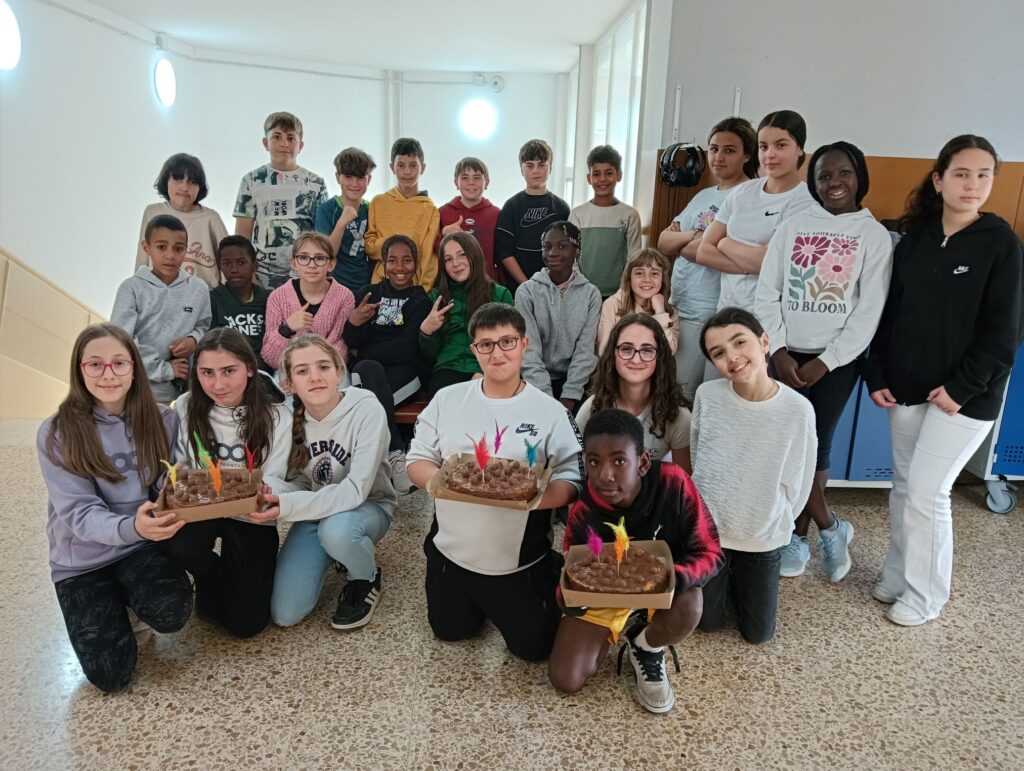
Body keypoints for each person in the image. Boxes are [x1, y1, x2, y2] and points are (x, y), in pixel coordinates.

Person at [862, 135, 1024, 626]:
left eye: (983, 175)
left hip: (966, 397)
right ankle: (898, 574)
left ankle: (926, 595)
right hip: (907, 387)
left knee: (928, 492)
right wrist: (877, 372)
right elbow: (890, 314)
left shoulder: (1000, 244)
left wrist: (962, 388)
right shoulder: (916, 239)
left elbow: (1005, 333)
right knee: (904, 486)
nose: (973, 184)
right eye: (962, 174)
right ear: (939, 180)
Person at [407, 303, 584, 662]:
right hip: (452, 553)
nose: (497, 353)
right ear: (474, 350)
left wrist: (532, 498)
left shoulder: (551, 412)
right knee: (450, 631)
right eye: (485, 344)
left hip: (517, 561)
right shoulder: (447, 399)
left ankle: (546, 572)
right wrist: (445, 484)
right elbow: (417, 458)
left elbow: (573, 478)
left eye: (507, 341)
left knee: (534, 649)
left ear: (524, 344)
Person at [755, 140, 894, 581]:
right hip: (783, 356)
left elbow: (869, 311)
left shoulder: (872, 235)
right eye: (824, 176)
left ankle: (800, 534)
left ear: (859, 177)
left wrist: (827, 361)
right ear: (813, 183)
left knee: (817, 446)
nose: (834, 182)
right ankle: (828, 527)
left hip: (837, 362)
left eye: (843, 173)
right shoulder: (793, 226)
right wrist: (777, 351)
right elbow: (767, 291)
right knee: (786, 444)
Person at [37, 323, 192, 692]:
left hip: (138, 547)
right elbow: (78, 513)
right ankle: (110, 603)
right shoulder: (56, 432)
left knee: (172, 611)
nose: (108, 374)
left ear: (134, 368)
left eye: (119, 363)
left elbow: (164, 481)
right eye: (95, 364)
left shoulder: (163, 418)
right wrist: (132, 527)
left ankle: (131, 602)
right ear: (79, 369)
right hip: (81, 561)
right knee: (111, 676)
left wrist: (174, 488)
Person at [549, 409, 722, 714]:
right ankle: (618, 623)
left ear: (642, 462)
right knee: (566, 679)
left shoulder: (674, 483)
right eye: (594, 462)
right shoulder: (583, 511)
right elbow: (570, 574)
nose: (605, 475)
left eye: (619, 461)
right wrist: (569, 598)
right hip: (606, 594)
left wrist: (670, 579)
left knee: (691, 605)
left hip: (663, 591)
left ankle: (645, 644)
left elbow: (711, 552)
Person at [250, 335, 397, 630]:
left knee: (337, 531)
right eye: (302, 371)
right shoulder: (286, 419)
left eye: (323, 367)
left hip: (367, 507)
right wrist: (269, 490)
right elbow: (296, 485)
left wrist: (287, 505)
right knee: (285, 614)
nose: (315, 377)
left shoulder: (366, 409)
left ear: (338, 372)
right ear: (290, 383)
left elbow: (356, 490)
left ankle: (365, 578)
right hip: (314, 511)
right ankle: (335, 551)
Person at [692, 308, 816, 644]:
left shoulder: (798, 410)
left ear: (764, 342)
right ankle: (726, 574)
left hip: (762, 535)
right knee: (709, 623)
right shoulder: (707, 396)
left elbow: (801, 482)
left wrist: (775, 524)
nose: (732, 357)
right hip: (712, 534)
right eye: (718, 353)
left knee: (758, 634)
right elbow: (698, 454)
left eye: (739, 342)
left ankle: (741, 576)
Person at [163, 328, 294, 638]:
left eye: (229, 371)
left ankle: (233, 581)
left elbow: (275, 476)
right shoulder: (185, 405)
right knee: (178, 545)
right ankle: (210, 577)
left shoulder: (277, 415)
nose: (218, 384)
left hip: (250, 514)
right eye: (207, 373)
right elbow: (182, 470)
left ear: (249, 368)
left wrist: (264, 491)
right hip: (202, 509)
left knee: (245, 624)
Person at [658, 117, 757, 401]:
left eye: (729, 150)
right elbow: (664, 241)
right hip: (681, 306)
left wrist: (687, 242)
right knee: (677, 393)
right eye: (714, 149)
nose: (718, 157)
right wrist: (696, 237)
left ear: (747, 155)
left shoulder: (749, 195)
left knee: (700, 397)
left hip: (712, 313)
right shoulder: (703, 195)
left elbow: (722, 253)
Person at [696, 110, 816, 319]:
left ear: (799, 149)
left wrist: (725, 243)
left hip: (768, 318)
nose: (770, 154)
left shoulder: (806, 201)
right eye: (763, 146)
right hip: (726, 312)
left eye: (781, 145)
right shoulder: (743, 192)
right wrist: (751, 264)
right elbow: (703, 252)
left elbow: (773, 264)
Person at [343, 234, 432, 494]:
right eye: (392, 260)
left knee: (365, 402)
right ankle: (395, 454)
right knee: (368, 370)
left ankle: (371, 466)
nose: (399, 267)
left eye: (407, 260)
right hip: (368, 374)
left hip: (406, 376)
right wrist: (354, 323)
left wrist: (364, 350)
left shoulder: (420, 301)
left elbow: (407, 348)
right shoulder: (368, 294)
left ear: (415, 264)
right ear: (383, 263)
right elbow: (351, 340)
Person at [112, 214, 212, 403]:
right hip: (134, 392)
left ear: (186, 250)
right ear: (146, 247)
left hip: (182, 396)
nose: (170, 255)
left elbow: (204, 326)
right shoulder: (131, 288)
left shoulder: (199, 289)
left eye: (178, 248)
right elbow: (121, 341)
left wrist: (193, 340)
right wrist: (165, 370)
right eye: (161, 247)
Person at [577, 314, 691, 469]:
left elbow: (683, 479)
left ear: (660, 356)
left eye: (647, 350)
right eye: (626, 349)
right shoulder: (594, 407)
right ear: (612, 354)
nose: (636, 360)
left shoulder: (677, 415)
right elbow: (575, 469)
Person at [233, 111, 328, 288]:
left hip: (304, 276)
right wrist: (249, 275)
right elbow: (241, 238)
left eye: (291, 138)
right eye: (277, 137)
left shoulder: (316, 183)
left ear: (301, 145)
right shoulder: (251, 181)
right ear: (266, 143)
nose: (284, 143)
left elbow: (321, 236)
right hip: (262, 276)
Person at [516, 221, 601, 413]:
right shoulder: (526, 292)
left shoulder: (591, 294)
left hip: (574, 381)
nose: (552, 253)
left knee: (581, 424)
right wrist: (546, 398)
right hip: (533, 379)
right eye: (547, 247)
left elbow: (585, 350)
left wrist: (569, 396)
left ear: (576, 251)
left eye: (562, 246)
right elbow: (529, 350)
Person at [419, 231, 514, 399]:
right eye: (448, 259)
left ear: (474, 254)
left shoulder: (500, 295)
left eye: (462, 255)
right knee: (443, 400)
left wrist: (482, 371)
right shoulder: (436, 297)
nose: (455, 263)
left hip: (491, 367)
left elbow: (510, 345)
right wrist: (426, 332)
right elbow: (430, 357)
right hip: (448, 368)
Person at [261, 232, 355, 371]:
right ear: (294, 263)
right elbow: (270, 358)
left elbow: (340, 349)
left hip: (329, 371)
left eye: (320, 258)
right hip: (290, 371)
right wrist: (287, 328)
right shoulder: (277, 298)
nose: (312, 265)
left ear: (331, 264)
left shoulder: (344, 297)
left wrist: (312, 368)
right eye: (304, 258)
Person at [135, 153, 228, 288]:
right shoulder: (153, 212)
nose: (184, 188)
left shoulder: (211, 219)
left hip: (205, 296)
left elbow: (228, 263)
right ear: (166, 181)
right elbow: (142, 262)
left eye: (192, 182)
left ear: (200, 187)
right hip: (160, 295)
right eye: (178, 179)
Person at [365, 137, 440, 290]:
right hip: (381, 285)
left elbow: (428, 259)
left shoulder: (430, 209)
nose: (407, 171)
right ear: (392, 167)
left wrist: (422, 291)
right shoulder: (378, 202)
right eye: (401, 165)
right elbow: (370, 247)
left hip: (413, 287)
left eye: (413, 165)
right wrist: (396, 243)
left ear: (422, 168)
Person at [496, 139, 570, 291]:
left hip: (554, 288)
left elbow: (567, 251)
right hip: (518, 289)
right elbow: (504, 251)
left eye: (541, 165)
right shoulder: (511, 207)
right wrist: (527, 285)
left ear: (550, 167)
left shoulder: (561, 208)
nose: (535, 171)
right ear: (521, 170)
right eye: (529, 165)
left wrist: (554, 284)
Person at [569, 144, 642, 298]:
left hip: (618, 295)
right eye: (596, 174)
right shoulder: (577, 214)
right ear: (589, 178)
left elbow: (633, 259)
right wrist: (583, 288)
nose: (602, 179)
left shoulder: (630, 215)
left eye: (609, 173)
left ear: (619, 175)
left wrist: (622, 292)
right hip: (582, 293)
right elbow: (571, 258)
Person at [314, 147, 376, 296]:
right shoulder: (326, 209)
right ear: (338, 177)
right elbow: (326, 254)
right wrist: (342, 223)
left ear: (369, 179)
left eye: (360, 177)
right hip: (335, 287)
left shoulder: (371, 209)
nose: (354, 183)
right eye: (348, 177)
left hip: (366, 285)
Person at [597, 249, 678, 355]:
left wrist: (660, 312)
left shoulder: (670, 312)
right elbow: (604, 351)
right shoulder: (612, 305)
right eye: (639, 273)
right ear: (629, 278)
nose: (647, 279)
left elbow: (669, 352)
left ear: (663, 279)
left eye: (654, 273)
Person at [209, 235, 272, 372]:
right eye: (227, 264)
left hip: (263, 371)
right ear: (220, 267)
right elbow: (211, 345)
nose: (234, 269)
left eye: (241, 262)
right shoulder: (214, 299)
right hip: (226, 370)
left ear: (255, 266)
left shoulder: (269, 299)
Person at [437, 157, 502, 280]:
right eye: (465, 177)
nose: (471, 182)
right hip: (452, 284)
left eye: (477, 177)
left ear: (487, 182)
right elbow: (434, 255)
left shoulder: (497, 214)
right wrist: (444, 235)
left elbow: (502, 256)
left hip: (487, 283)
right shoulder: (442, 213)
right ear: (456, 183)